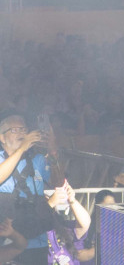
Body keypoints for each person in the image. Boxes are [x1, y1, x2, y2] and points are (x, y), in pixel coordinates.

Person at [0, 112, 54, 263]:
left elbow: (58, 180)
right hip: (9, 241)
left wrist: (53, 147)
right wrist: (22, 149)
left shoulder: (37, 160)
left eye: (23, 129)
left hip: (38, 239)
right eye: (14, 130)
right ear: (1, 137)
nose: (21, 133)